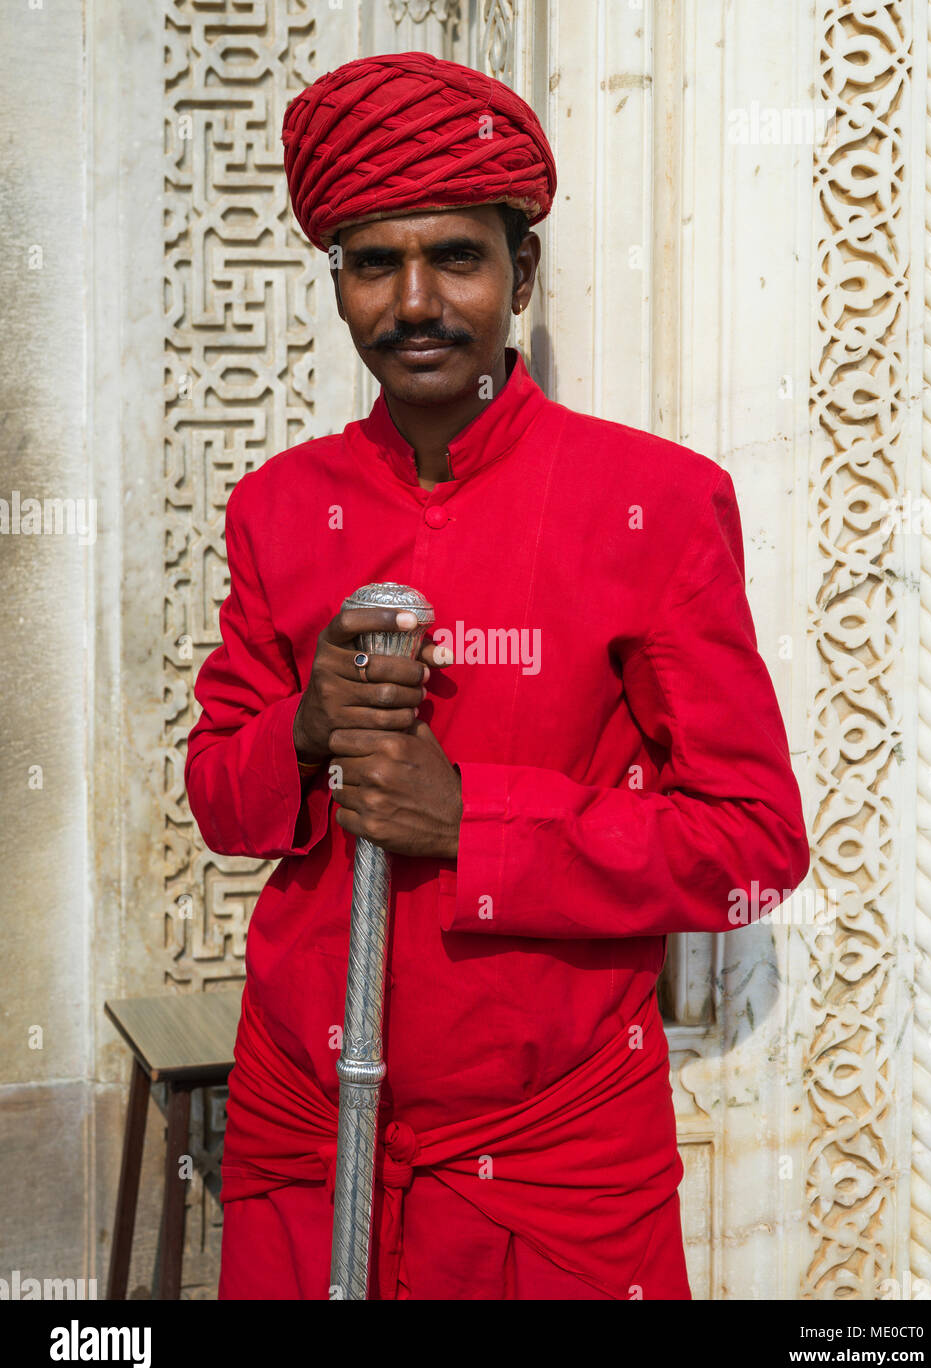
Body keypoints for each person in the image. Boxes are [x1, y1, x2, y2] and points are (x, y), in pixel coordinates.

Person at [184, 50, 810, 1301]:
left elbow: (749, 848)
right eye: (374, 261)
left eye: (456, 257)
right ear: (341, 285)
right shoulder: (276, 508)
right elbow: (219, 798)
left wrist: (473, 819)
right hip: (308, 1145)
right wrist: (301, 733)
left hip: (549, 1173)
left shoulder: (655, 503)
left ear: (520, 275)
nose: (414, 300)